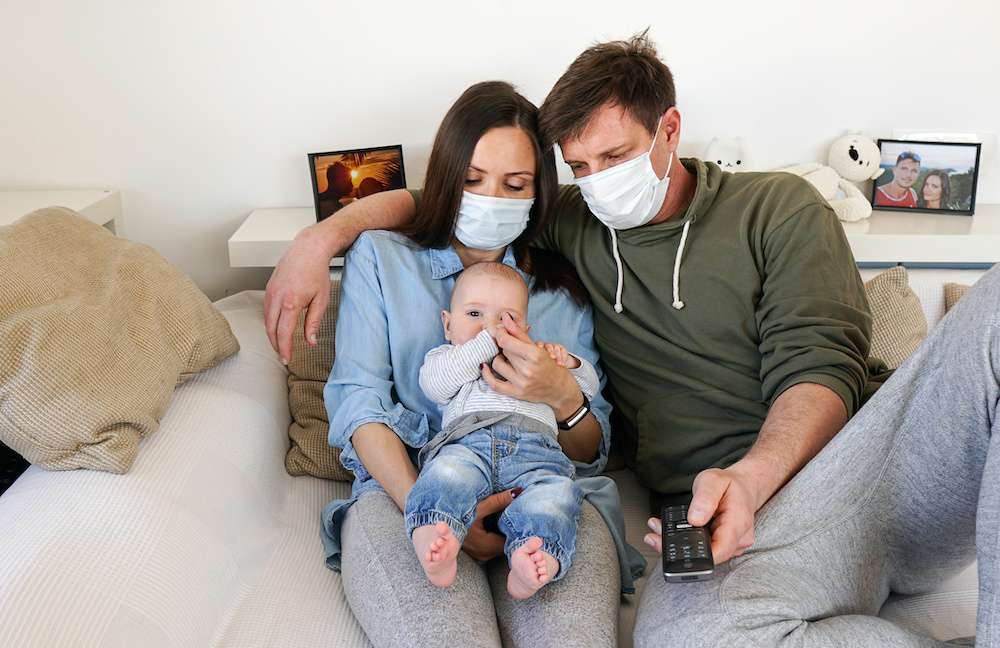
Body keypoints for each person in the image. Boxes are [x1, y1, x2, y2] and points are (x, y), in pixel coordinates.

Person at [266, 31, 991, 645]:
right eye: (579, 168)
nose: (597, 182)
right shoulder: (568, 232)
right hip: (718, 514)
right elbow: (446, 201)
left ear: (669, 131)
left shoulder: (773, 206)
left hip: (865, 464)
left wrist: (741, 474)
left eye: (613, 158)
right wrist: (324, 234)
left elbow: (819, 360)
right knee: (678, 637)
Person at [313, 80, 643, 648]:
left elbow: (594, 449)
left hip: (546, 494)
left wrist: (563, 397)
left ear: (539, 193)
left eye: (515, 185)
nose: (491, 198)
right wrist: (436, 508)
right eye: (471, 181)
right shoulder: (383, 258)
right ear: (444, 177)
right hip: (412, 491)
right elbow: (358, 404)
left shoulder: (560, 290)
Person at [409, 261, 600, 599]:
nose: (490, 328)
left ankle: (534, 557)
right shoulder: (447, 356)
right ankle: (434, 530)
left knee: (555, 495)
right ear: (447, 324)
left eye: (506, 319)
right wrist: (485, 344)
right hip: (469, 446)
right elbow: (435, 386)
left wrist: (566, 363)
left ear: (525, 327)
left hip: (537, 455)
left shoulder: (535, 361)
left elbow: (588, 389)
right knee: (446, 473)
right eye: (474, 315)